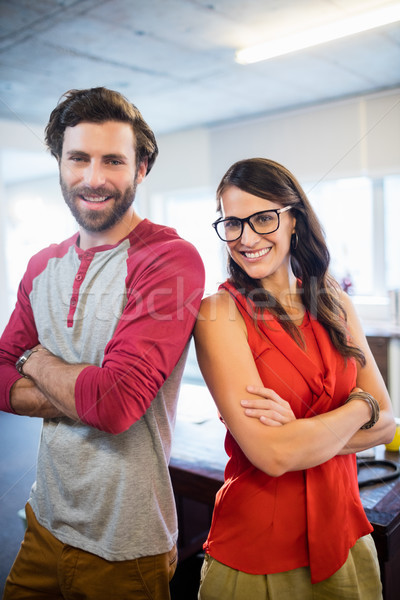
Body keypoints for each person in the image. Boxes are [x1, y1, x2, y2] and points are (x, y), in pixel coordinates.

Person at [0, 87, 205, 600]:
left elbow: (115, 406)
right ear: (60, 164)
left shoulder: (169, 260)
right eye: (79, 159)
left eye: (113, 160)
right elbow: (1, 374)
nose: (93, 179)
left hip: (126, 548)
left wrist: (36, 358)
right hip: (43, 522)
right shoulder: (41, 265)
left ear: (141, 168)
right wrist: (85, 394)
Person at [194, 158, 395, 600]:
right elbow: (273, 455)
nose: (246, 238)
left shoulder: (335, 304)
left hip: (346, 535)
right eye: (232, 223)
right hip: (258, 552)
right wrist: (361, 405)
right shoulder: (218, 314)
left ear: (294, 221)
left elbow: (388, 423)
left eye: (263, 218)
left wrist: (300, 434)